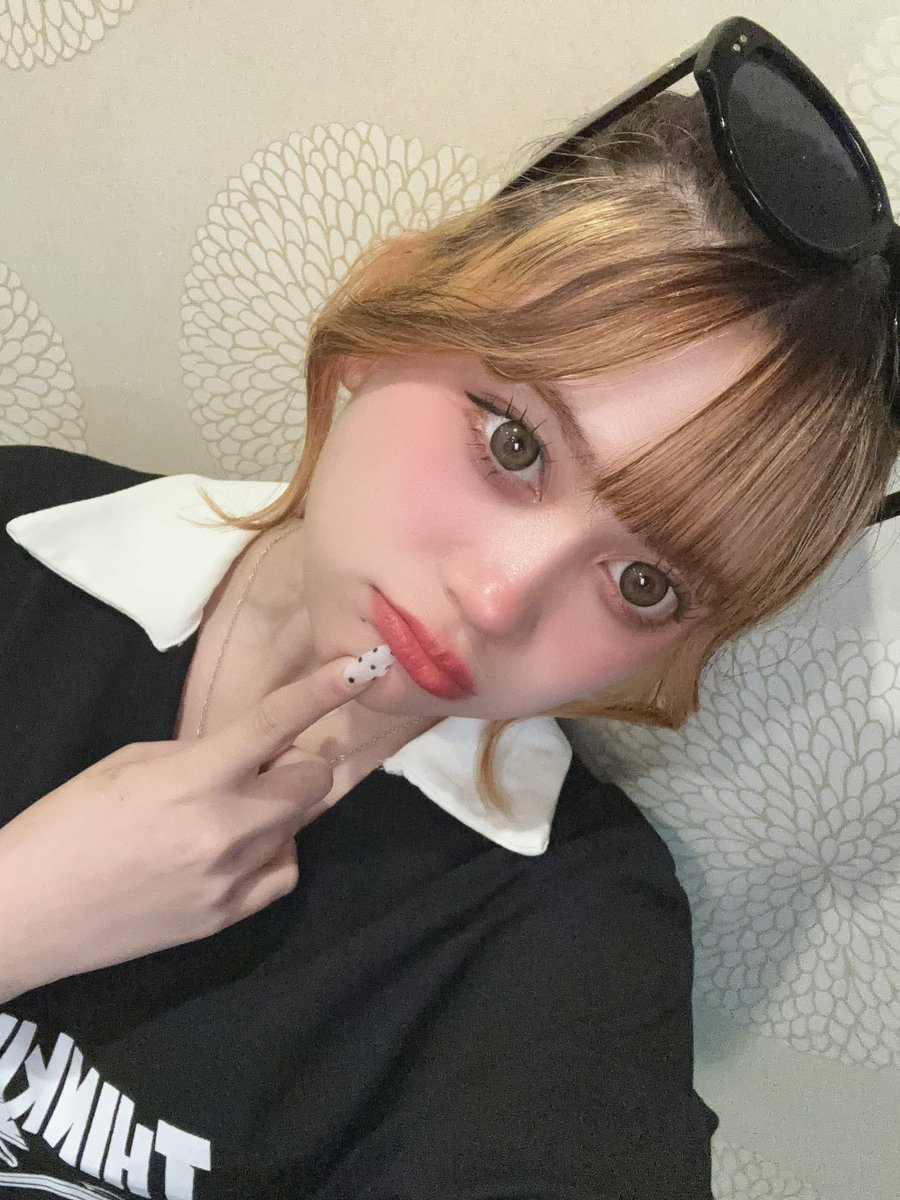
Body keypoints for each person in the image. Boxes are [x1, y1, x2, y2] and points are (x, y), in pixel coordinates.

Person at [0, 16, 897, 1200]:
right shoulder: (16, 536)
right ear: (389, 319)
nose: (498, 596)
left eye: (645, 582)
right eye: (514, 441)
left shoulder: (562, 946)